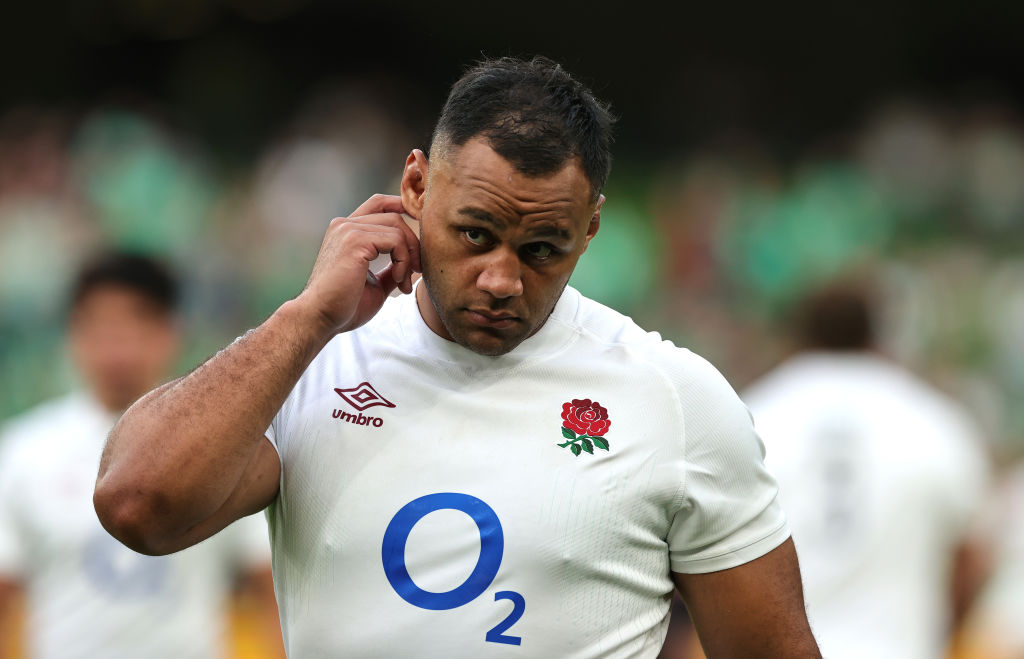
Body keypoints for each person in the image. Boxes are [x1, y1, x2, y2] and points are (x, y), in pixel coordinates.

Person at [94, 57, 821, 658]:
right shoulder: (317, 364)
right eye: (476, 235)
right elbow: (137, 505)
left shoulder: (673, 397)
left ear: (591, 227)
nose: (503, 279)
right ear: (415, 186)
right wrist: (308, 315)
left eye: (543, 250)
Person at [0, 252, 283, 659]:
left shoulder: (221, 447)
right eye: (100, 326)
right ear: (73, 334)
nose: (117, 347)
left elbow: (267, 588)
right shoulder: (25, 450)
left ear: (170, 332)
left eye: (136, 324)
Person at [742, 281, 991, 659]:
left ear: (795, 337)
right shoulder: (934, 422)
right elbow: (972, 559)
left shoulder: (752, 416)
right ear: (878, 336)